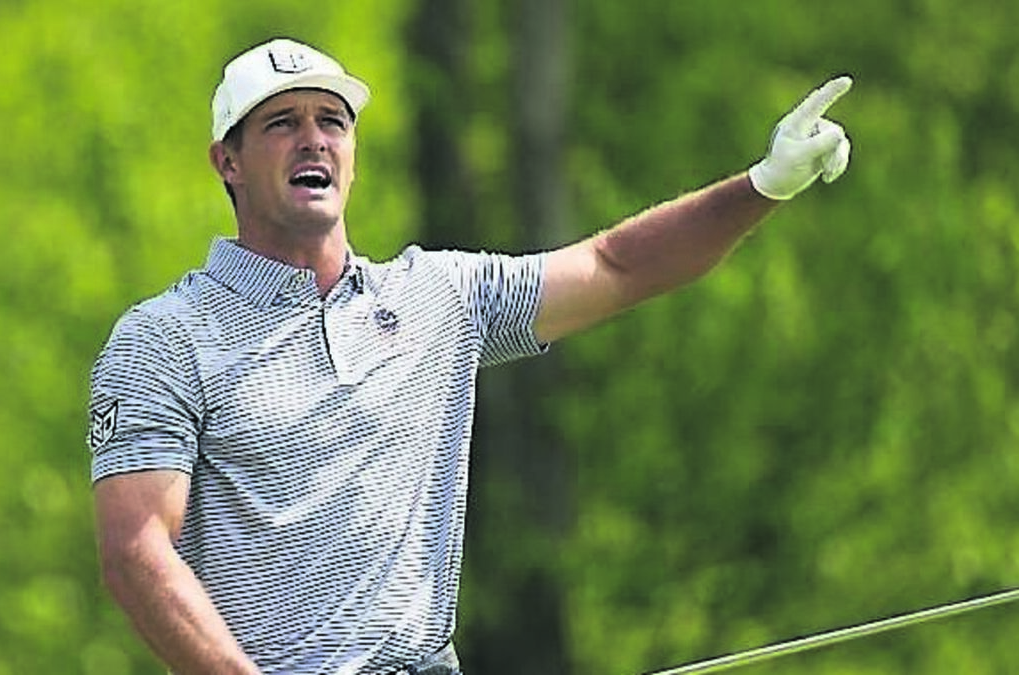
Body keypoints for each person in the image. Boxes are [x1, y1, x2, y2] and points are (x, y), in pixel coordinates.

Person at [87, 37, 852, 675]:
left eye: (333, 121)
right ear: (227, 161)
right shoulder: (166, 337)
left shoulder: (440, 295)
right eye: (282, 123)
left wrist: (762, 186)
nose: (314, 139)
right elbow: (135, 549)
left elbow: (616, 264)